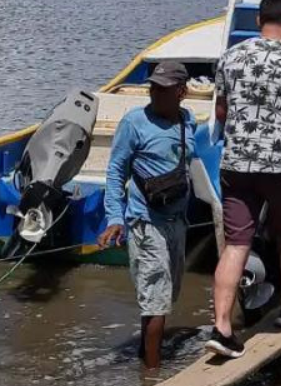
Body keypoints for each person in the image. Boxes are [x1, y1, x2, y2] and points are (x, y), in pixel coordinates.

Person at [204, 0, 281, 359]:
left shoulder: (230, 57)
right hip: (280, 166)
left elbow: (221, 112)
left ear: (258, 21)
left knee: (237, 244)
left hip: (235, 166)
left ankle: (222, 327)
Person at [98, 61, 197, 370]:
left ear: (181, 92)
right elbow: (116, 172)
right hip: (145, 222)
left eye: (163, 89)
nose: (155, 93)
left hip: (176, 221)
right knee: (156, 299)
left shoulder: (187, 120)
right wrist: (115, 218)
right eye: (152, 87)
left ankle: (146, 355)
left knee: (167, 294)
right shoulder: (134, 123)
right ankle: (152, 373)